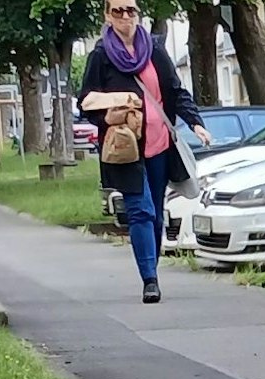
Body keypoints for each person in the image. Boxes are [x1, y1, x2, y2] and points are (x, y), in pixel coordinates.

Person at [78, 2, 210, 304]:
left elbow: (175, 92)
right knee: (141, 210)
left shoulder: (154, 49)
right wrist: (111, 117)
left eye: (130, 10)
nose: (125, 16)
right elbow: (85, 102)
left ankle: (151, 265)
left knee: (155, 216)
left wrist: (195, 123)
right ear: (107, 16)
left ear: (138, 14)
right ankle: (149, 280)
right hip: (125, 148)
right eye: (117, 11)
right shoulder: (101, 56)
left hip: (160, 144)